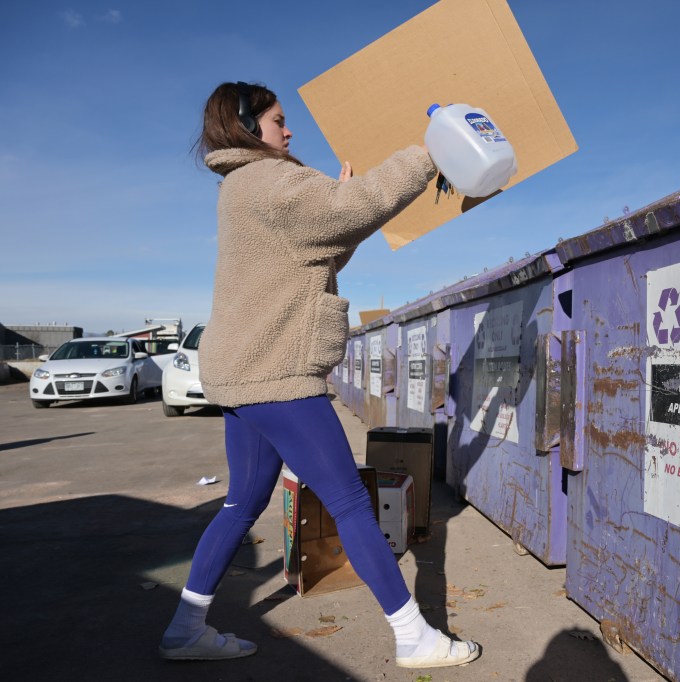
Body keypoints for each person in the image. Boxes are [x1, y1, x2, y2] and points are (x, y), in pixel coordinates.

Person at [158, 82, 480, 669]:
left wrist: (343, 200)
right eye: (280, 120)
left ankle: (185, 627)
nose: (289, 131)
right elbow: (350, 210)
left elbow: (320, 243)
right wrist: (431, 153)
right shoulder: (271, 180)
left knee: (242, 502)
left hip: (241, 372)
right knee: (351, 502)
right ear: (248, 126)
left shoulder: (243, 187)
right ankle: (415, 637)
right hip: (275, 371)